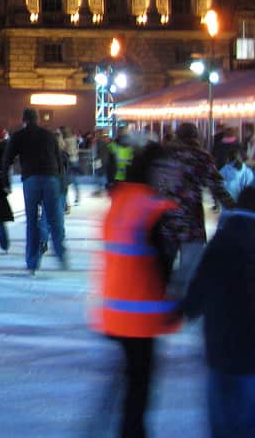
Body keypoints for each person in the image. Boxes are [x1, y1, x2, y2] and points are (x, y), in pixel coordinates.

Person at [92, 142, 181, 438]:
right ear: (153, 170)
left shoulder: (122, 201)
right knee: (139, 387)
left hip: (114, 309)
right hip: (141, 315)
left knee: (130, 382)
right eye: (167, 169)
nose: (172, 175)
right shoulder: (153, 209)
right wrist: (176, 305)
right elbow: (161, 266)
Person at [182, 186, 255, 437]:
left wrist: (187, 308)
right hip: (250, 351)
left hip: (219, 345)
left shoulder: (222, 239)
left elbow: (201, 282)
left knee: (222, 413)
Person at [159, 122, 235, 293]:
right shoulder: (201, 157)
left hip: (166, 219)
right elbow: (216, 185)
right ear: (196, 136)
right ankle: (182, 298)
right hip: (191, 220)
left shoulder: (164, 155)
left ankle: (161, 300)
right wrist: (235, 206)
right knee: (190, 266)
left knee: (164, 264)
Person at [2, 108, 67, 274]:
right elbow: (59, 159)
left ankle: (32, 262)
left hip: (31, 178)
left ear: (24, 120)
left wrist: (5, 182)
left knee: (32, 221)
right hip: (51, 177)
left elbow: (6, 160)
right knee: (54, 218)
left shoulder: (19, 136)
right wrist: (62, 183)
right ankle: (60, 254)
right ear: (37, 119)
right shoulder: (49, 135)